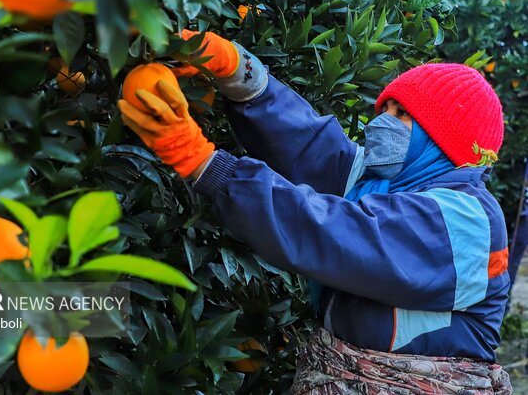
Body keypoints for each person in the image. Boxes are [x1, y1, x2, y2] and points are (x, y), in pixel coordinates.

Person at [117, 30, 513, 394]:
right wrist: (239, 70)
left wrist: (203, 162)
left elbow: (337, 234)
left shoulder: (468, 220)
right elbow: (309, 144)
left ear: (445, 142)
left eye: (403, 115)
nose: (383, 122)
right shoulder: (380, 181)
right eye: (386, 107)